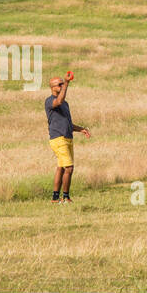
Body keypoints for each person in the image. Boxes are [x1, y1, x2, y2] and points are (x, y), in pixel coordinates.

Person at [45, 72, 90, 203]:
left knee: (61, 167)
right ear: (53, 87)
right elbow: (58, 101)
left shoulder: (66, 104)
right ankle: (66, 197)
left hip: (67, 138)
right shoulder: (50, 101)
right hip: (58, 139)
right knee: (69, 168)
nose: (62, 85)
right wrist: (67, 83)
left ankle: (54, 198)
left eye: (62, 83)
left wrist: (81, 129)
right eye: (60, 84)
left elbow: (68, 123)